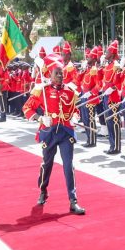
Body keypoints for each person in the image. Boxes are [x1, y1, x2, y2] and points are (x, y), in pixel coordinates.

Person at [22, 56, 86, 215]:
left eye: (61, 73)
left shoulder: (70, 91)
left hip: (65, 132)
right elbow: (27, 108)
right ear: (49, 74)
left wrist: (75, 117)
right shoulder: (42, 91)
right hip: (49, 133)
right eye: (56, 73)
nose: (60, 76)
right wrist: (40, 118)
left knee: (68, 165)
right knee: (47, 164)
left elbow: (74, 110)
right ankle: (43, 191)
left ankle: (73, 200)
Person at [101, 40, 123, 155]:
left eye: (108, 51)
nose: (106, 53)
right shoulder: (108, 65)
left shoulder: (116, 65)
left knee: (114, 122)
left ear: (113, 54)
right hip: (106, 96)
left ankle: (116, 146)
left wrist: (113, 88)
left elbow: (118, 83)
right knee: (109, 121)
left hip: (113, 97)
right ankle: (112, 145)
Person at [78, 48, 103, 148]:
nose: (86, 58)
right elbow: (78, 80)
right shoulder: (87, 69)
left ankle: (92, 140)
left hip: (90, 98)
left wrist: (91, 93)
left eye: (88, 57)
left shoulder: (94, 70)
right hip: (84, 96)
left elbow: (99, 84)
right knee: (84, 119)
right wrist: (82, 70)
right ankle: (89, 139)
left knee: (90, 120)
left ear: (92, 58)